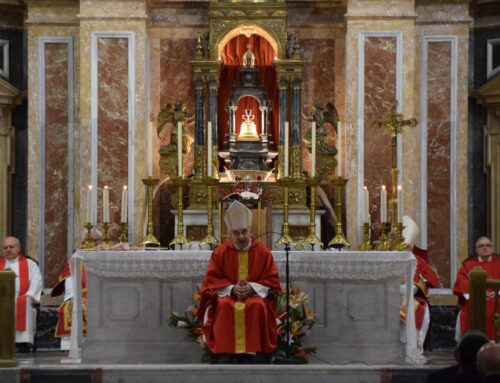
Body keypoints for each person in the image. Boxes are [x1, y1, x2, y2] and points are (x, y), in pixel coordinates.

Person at [197, 200, 281, 364]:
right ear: (229, 234)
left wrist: (253, 287)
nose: (241, 236)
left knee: (256, 305)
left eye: (244, 231)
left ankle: (252, 353)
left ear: (251, 231)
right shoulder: (220, 253)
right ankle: (229, 353)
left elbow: (272, 281)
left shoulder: (262, 252)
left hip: (255, 295)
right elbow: (211, 281)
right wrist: (231, 289)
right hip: (229, 295)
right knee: (226, 305)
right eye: (237, 233)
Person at [401, 216, 440, 352]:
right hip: (394, 296)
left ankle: (413, 346)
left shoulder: (419, 261)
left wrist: (418, 285)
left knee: (418, 309)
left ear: (412, 245)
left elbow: (433, 279)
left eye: (408, 244)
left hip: (414, 297)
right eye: (403, 244)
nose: (406, 247)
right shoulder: (391, 258)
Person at [0, 236, 43, 353]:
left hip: (23, 297)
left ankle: (22, 342)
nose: (8, 249)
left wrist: (30, 295)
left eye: (11, 247)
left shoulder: (30, 264)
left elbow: (36, 281)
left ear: (18, 248)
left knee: (24, 302)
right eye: (5, 247)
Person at [453, 236, 500, 340]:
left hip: (498, 298)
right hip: (475, 299)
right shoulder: (467, 265)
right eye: (481, 246)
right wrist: (479, 293)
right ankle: (474, 344)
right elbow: (462, 283)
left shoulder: (499, 263)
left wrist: (498, 292)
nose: (485, 248)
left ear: (492, 249)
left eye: (488, 245)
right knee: (470, 311)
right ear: (476, 250)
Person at [52, 261, 87, 350]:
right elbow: (70, 283)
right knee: (72, 306)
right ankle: (72, 346)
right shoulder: (75, 262)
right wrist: (73, 297)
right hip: (81, 296)